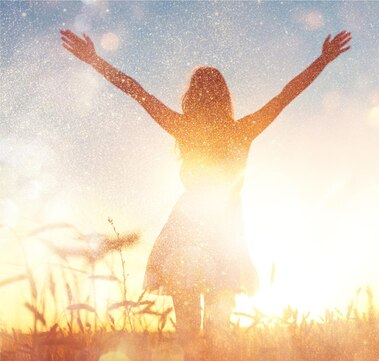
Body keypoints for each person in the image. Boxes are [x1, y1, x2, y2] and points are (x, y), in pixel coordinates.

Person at [60, 28, 352, 336]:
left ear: (192, 98)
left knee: (190, 330)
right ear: (224, 97)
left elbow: (137, 91)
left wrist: (94, 60)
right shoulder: (242, 130)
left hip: (193, 228)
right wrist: (323, 60)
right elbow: (285, 95)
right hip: (221, 230)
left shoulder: (186, 129)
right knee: (218, 332)